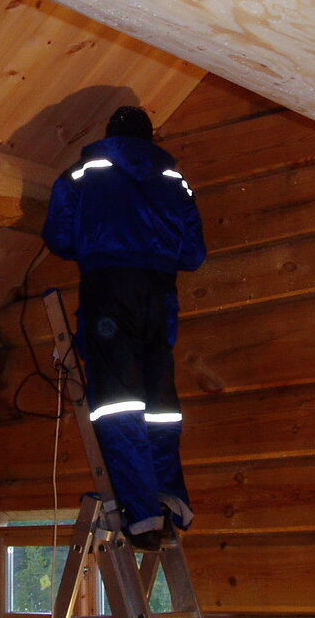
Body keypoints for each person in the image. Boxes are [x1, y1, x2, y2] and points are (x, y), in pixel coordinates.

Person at [42, 105, 206, 550]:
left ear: (109, 135)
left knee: (118, 403)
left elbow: (58, 238)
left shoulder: (82, 174)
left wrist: (102, 242)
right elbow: (193, 255)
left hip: (109, 292)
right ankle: (169, 499)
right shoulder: (175, 181)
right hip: (160, 297)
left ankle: (143, 516)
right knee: (160, 404)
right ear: (150, 139)